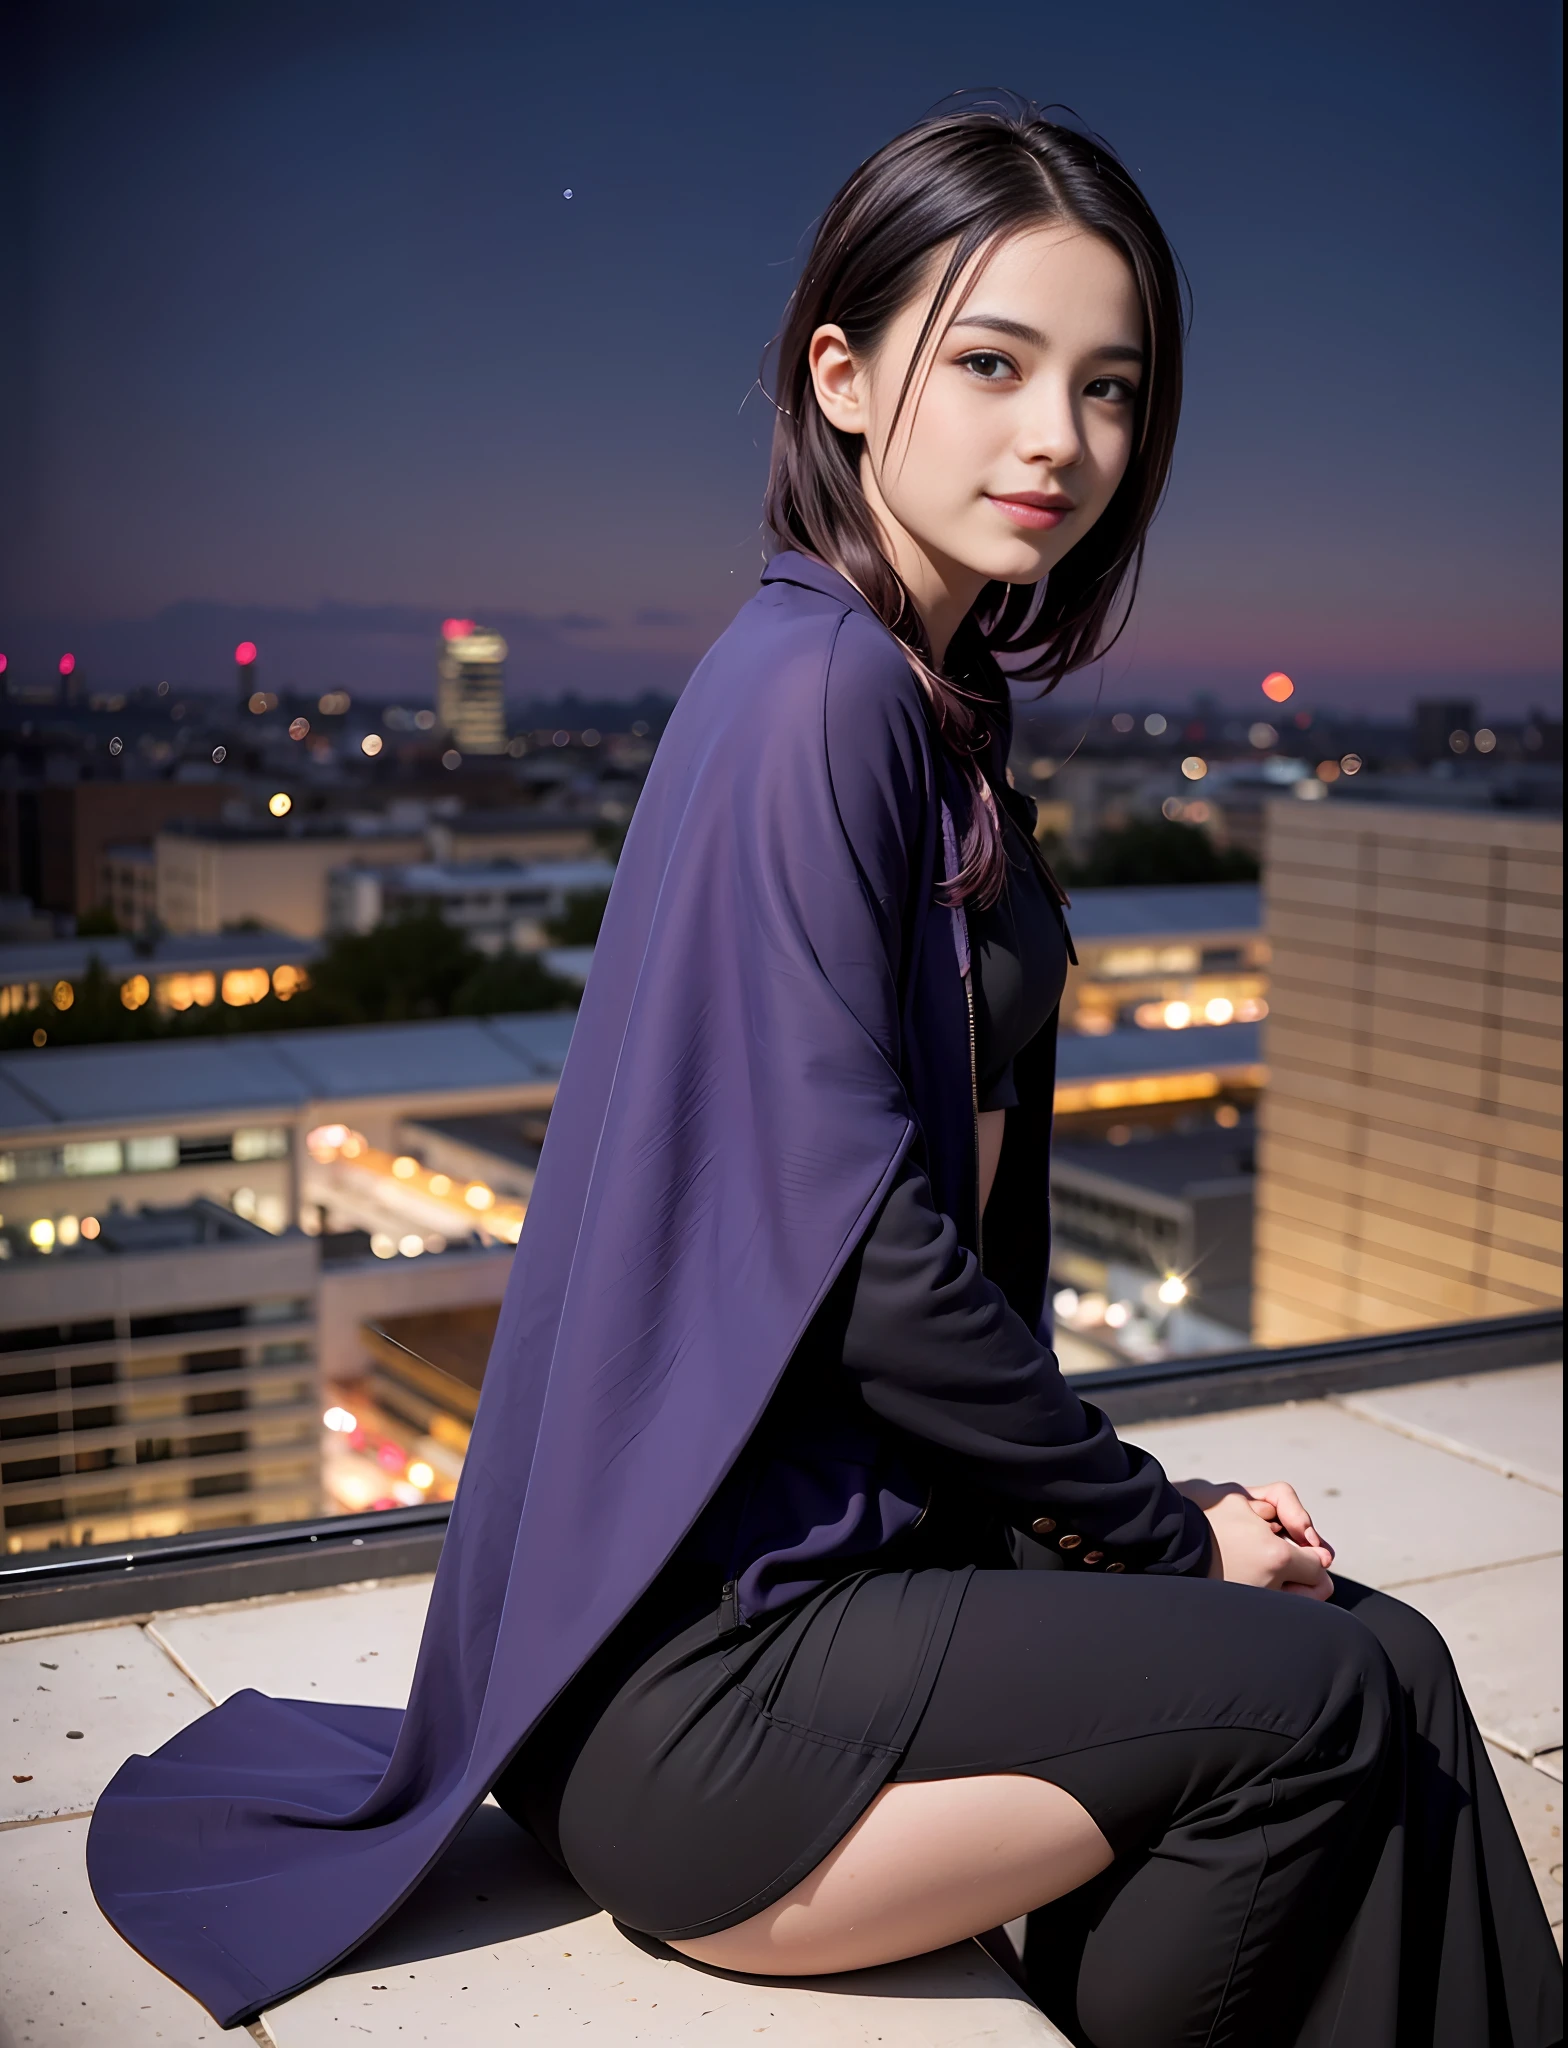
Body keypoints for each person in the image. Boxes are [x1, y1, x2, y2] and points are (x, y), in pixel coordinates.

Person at [89, 104, 1561, 2048]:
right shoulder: (824, 696)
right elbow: (866, 1249)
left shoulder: (908, 697)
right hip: (726, 1704)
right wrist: (1143, 1528)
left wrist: (1124, 1515)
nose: (1059, 439)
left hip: (805, 1596)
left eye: (1108, 387)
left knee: (1385, 1649)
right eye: (992, 362)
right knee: (1342, 1691)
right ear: (843, 377)